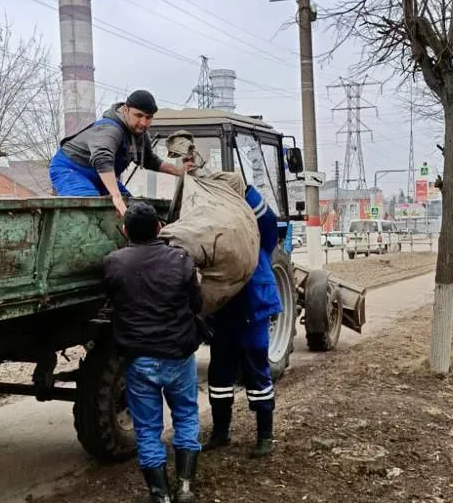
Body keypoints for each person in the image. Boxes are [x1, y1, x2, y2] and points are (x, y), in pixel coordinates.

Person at [102, 202, 204, 503]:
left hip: (140, 360)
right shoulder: (181, 260)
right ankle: (185, 487)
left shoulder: (113, 263)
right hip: (178, 355)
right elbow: (197, 305)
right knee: (186, 417)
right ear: (159, 228)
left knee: (147, 429)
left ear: (125, 231)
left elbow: (111, 302)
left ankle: (160, 496)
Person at [203, 182, 283, 458]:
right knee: (219, 376)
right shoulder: (215, 233)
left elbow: (269, 221)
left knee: (256, 373)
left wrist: (245, 190)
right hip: (224, 314)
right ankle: (221, 432)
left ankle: (265, 436)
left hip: (252, 311)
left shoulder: (257, 236)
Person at [49, 90, 193, 218]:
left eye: (148, 117)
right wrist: (116, 196)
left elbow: (150, 160)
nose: (143, 123)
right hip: (71, 169)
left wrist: (179, 171)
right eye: (138, 115)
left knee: (133, 211)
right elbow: (102, 158)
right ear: (125, 110)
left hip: (100, 175)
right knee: (89, 208)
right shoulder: (110, 129)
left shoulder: (141, 136)